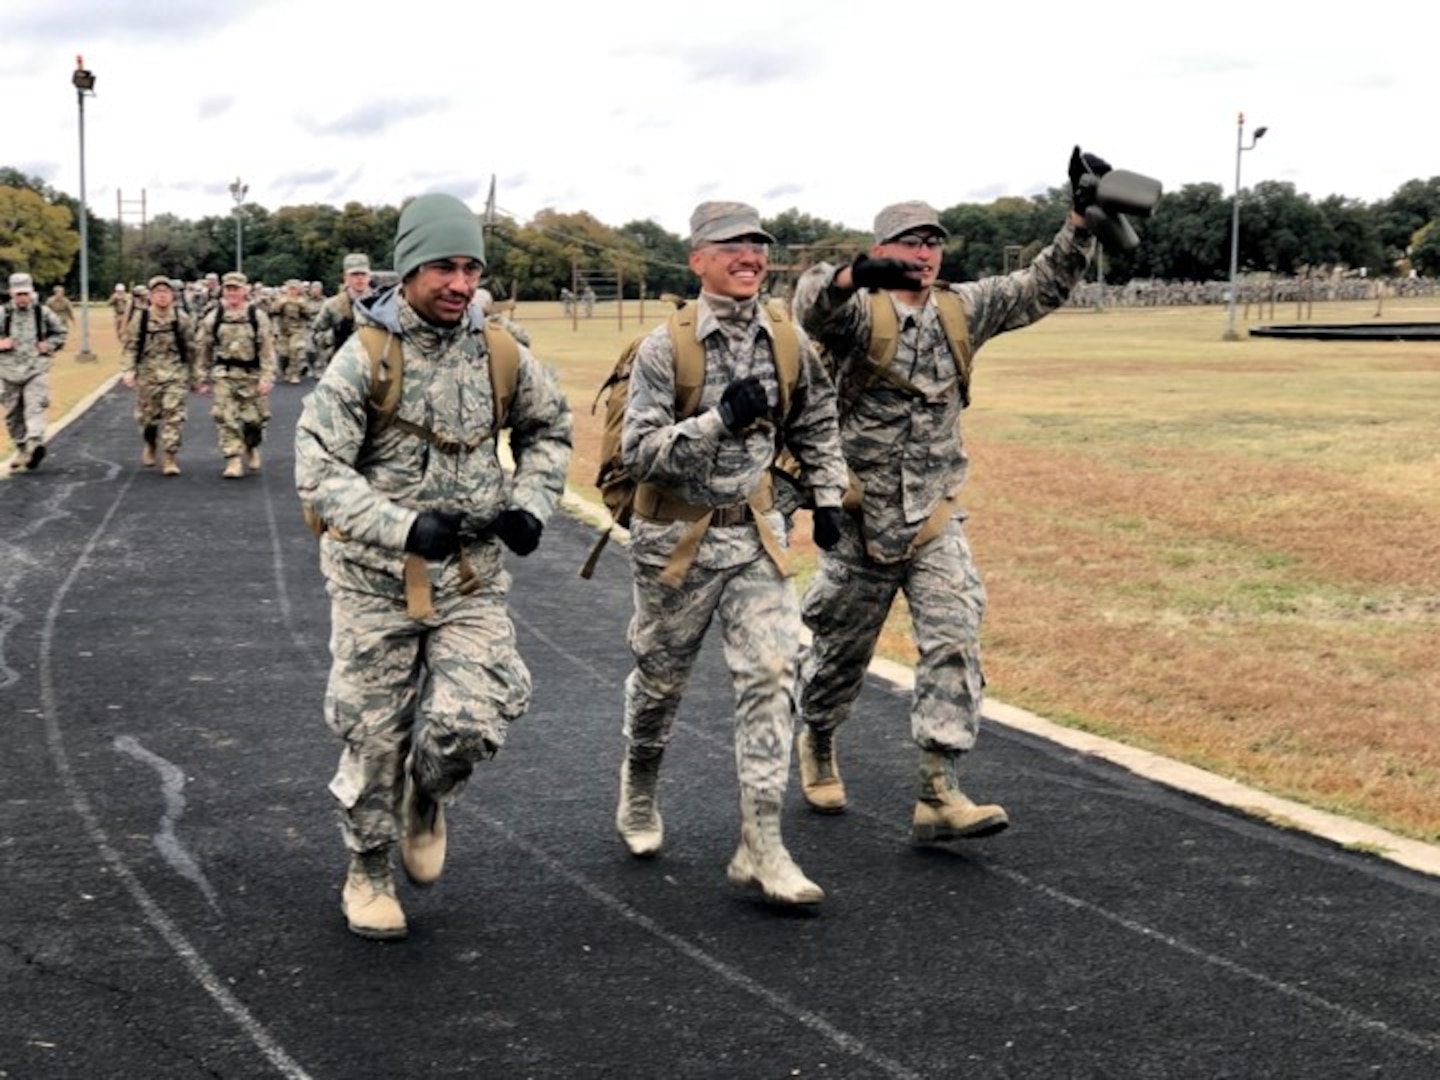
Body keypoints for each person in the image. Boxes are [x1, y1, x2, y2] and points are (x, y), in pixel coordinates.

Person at [789, 148, 1105, 843]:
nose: (923, 253)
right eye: (908, 242)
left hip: (932, 518)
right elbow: (810, 305)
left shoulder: (963, 310)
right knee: (839, 655)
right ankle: (816, 737)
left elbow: (1041, 284)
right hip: (859, 520)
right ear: (881, 249)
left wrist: (1078, 222)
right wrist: (849, 276)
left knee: (954, 638)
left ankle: (938, 788)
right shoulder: (856, 314)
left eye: (932, 242)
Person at [294, 193, 573, 940]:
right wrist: (404, 525)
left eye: (471, 268)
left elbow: (550, 430)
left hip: (471, 581)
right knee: (374, 735)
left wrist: (534, 503)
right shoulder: (366, 356)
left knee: (468, 719)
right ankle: (370, 869)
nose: (459, 283)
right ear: (409, 269)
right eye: (443, 267)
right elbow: (317, 471)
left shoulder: (503, 351)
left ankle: (431, 791)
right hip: (373, 584)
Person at [615, 201, 847, 907]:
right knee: (661, 683)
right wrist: (720, 420)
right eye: (733, 245)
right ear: (698, 259)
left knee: (775, 673)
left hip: (755, 538)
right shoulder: (666, 347)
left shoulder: (787, 339)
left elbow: (818, 419)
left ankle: (762, 844)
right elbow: (640, 455)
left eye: (757, 245)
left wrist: (830, 496)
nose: (749, 256)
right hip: (675, 545)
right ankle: (640, 783)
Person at [195, 270, 276, 478]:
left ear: (245, 291)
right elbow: (203, 348)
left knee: (255, 421)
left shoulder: (257, 317)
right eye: (228, 289)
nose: (232, 293)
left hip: (252, 375)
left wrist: (267, 377)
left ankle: (251, 446)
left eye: (236, 289)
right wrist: (201, 377)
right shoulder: (214, 317)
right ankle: (233, 460)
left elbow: (267, 349)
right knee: (225, 417)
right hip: (225, 374)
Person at [121, 275, 197, 475]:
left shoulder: (182, 318)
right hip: (148, 374)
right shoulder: (141, 318)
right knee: (148, 419)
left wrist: (196, 376)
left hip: (175, 373)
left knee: (174, 416)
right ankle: (150, 443)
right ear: (151, 296)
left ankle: (170, 457)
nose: (162, 296)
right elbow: (131, 346)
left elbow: (192, 349)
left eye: (165, 292)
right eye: (157, 292)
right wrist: (128, 371)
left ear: (172, 295)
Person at [1, 273, 68, 472]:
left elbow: (61, 332)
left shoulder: (42, 313)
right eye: (19, 294)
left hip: (36, 369)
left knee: (35, 406)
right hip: (8, 371)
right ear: (12, 293)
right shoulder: (3, 313)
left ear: (32, 293)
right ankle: (22, 448)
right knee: (13, 415)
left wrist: (48, 345)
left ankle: (34, 444)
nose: (23, 298)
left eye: (26, 293)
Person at [310, 253, 371, 376]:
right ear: (345, 278)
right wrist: (334, 335)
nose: (360, 278)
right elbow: (316, 334)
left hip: (372, 364)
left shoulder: (381, 303)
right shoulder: (333, 305)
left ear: (369, 276)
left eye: (363, 274)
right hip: (341, 366)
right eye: (354, 275)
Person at [271, 279, 311, 383]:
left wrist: (302, 306)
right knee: (283, 354)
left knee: (295, 350)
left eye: (295, 289)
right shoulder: (281, 299)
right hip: (283, 330)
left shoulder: (302, 300)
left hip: (297, 330)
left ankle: (295, 374)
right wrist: (280, 304)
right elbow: (273, 311)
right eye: (290, 288)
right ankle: (285, 371)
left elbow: (308, 315)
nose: (292, 291)